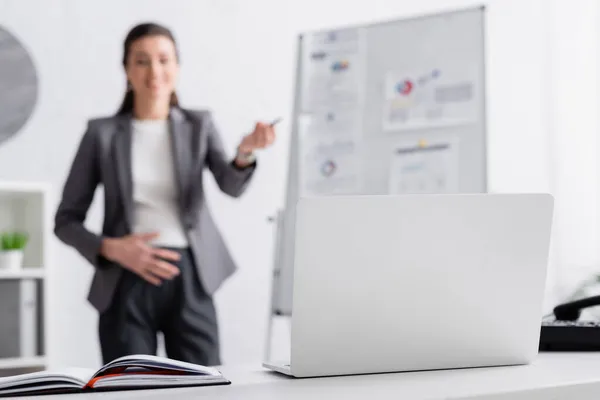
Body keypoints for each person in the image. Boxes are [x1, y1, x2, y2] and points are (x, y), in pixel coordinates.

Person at [53, 22, 276, 366]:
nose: (154, 71)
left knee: (204, 385)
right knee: (129, 386)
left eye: (163, 59)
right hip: (125, 279)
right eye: (141, 61)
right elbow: (65, 221)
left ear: (177, 67)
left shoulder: (199, 125)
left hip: (191, 275)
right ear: (126, 69)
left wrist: (245, 152)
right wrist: (112, 248)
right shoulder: (101, 134)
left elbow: (230, 184)